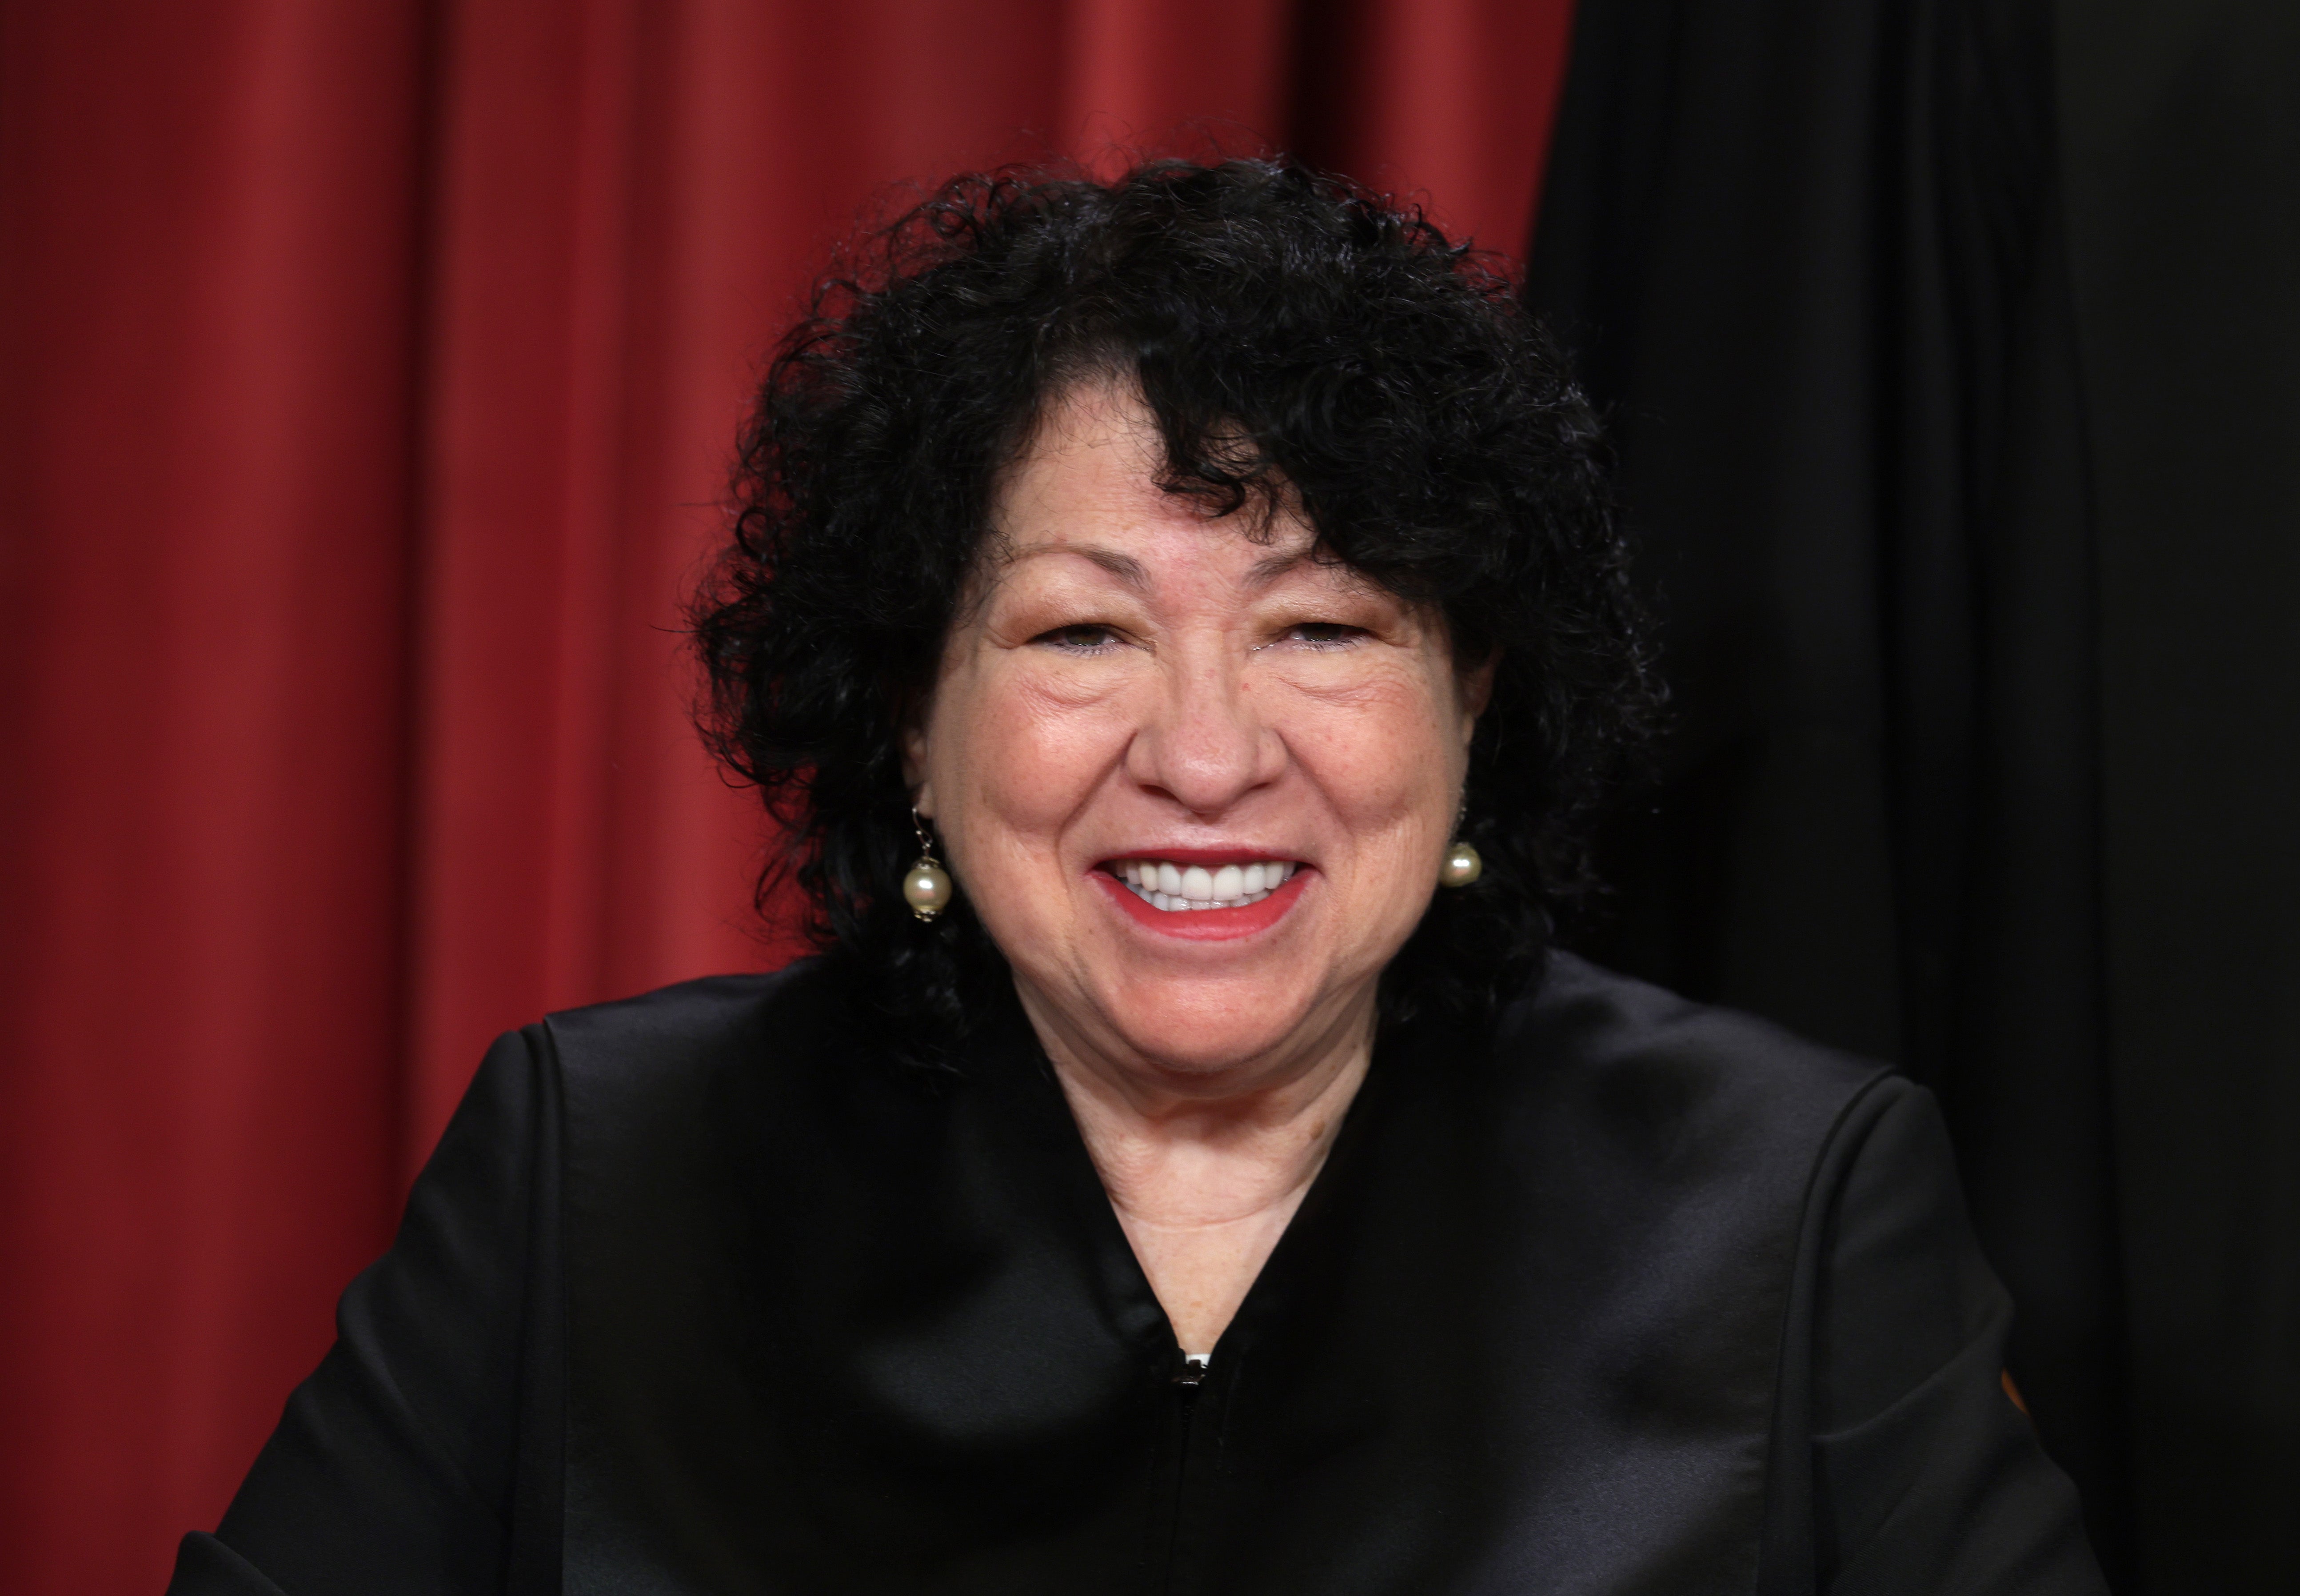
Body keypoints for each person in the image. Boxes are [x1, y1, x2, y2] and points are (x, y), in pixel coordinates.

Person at [168, 158, 2106, 1594]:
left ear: (1473, 706)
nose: (1201, 753)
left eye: (1323, 628)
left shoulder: (1790, 1204)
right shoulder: (596, 1166)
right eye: (1080, 634)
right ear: (913, 716)